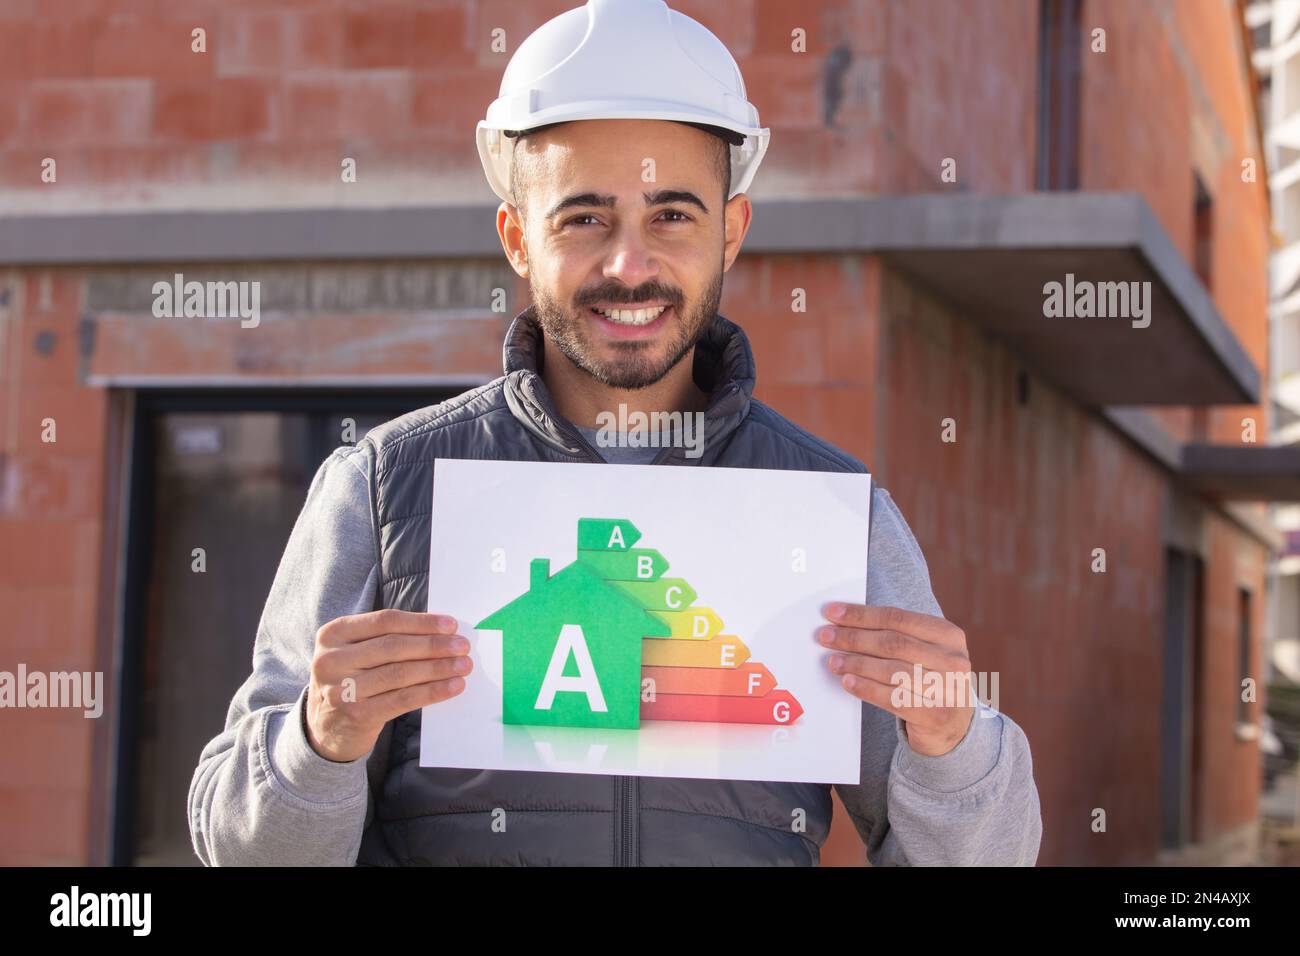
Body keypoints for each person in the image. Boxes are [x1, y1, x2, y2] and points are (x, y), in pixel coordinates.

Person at [188, 0, 1041, 866]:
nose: (630, 265)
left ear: (731, 233)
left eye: (672, 215)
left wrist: (955, 748)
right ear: (518, 237)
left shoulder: (834, 517)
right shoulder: (382, 490)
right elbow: (240, 850)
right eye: (583, 217)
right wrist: (314, 744)